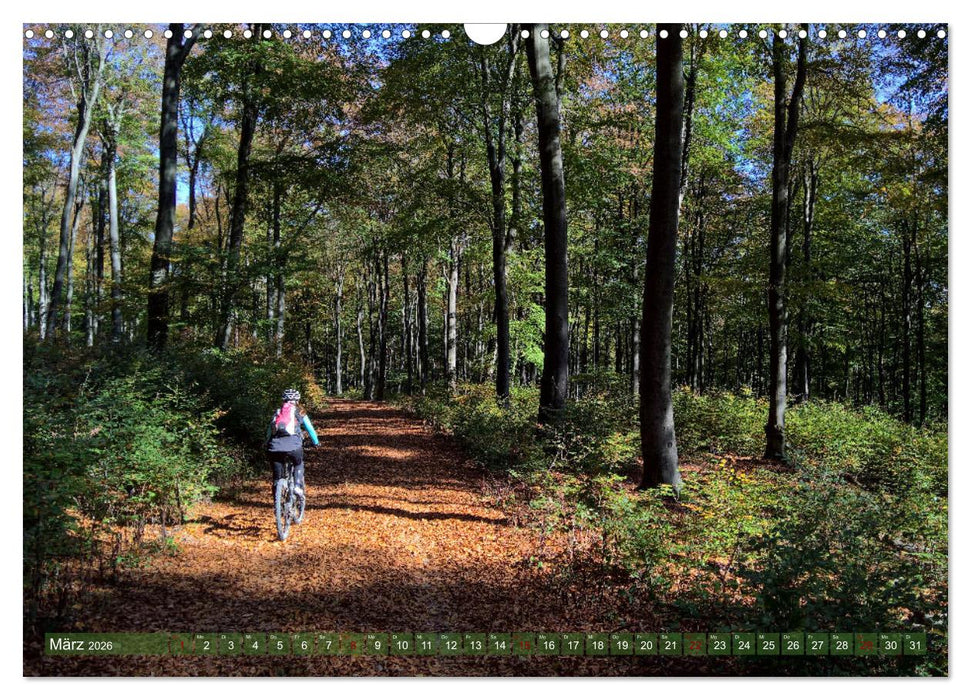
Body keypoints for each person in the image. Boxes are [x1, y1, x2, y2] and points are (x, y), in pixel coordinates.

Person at [266, 388, 319, 501]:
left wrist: (266, 443)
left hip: (275, 447)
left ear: (283, 400)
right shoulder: (299, 412)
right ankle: (298, 486)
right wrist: (316, 442)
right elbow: (310, 429)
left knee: (277, 476)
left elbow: (269, 431)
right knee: (298, 463)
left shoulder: (277, 412)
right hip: (294, 445)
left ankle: (277, 498)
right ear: (297, 400)